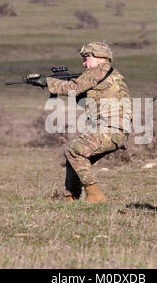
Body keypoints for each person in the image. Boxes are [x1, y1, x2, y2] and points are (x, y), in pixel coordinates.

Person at [30, 42, 132, 203]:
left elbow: (73, 88)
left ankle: (96, 195)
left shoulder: (100, 70)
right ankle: (71, 197)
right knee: (75, 157)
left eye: (86, 58)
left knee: (74, 151)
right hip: (117, 131)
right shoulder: (113, 75)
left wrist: (47, 81)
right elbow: (86, 100)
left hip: (110, 130)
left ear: (99, 58)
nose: (84, 64)